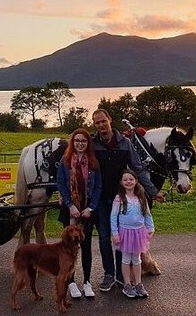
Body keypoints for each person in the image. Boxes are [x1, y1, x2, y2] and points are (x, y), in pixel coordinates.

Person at [91, 108, 164, 292]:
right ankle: (109, 274)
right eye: (97, 122)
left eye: (103, 121)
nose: (100, 125)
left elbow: (137, 169)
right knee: (104, 237)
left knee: (120, 239)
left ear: (110, 120)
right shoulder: (93, 144)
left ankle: (120, 275)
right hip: (100, 199)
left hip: (120, 200)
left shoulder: (125, 143)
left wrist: (153, 192)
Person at [56, 128, 102, 299]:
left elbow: (98, 187)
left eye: (84, 141)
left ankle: (87, 282)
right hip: (70, 211)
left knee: (86, 247)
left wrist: (91, 208)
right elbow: (60, 184)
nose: (80, 144)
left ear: (88, 143)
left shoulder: (93, 162)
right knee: (69, 249)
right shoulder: (65, 161)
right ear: (72, 142)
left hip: (87, 211)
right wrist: (70, 205)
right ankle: (72, 282)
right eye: (77, 141)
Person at [111, 169, 155, 298]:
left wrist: (151, 227)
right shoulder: (119, 198)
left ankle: (138, 284)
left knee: (137, 259)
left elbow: (147, 214)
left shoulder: (141, 197)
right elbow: (113, 217)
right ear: (121, 182)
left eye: (131, 179)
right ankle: (127, 285)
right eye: (125, 180)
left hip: (139, 233)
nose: (128, 182)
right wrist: (115, 233)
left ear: (136, 181)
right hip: (125, 232)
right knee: (126, 259)